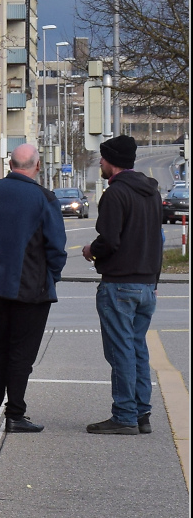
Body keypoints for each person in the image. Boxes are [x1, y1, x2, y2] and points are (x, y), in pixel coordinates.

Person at [0, 144, 67, 431]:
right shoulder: (44, 198)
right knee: (22, 354)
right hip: (31, 287)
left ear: (10, 163)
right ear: (37, 166)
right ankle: (15, 414)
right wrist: (51, 276)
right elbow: (57, 247)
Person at [82, 135, 164, 435]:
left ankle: (125, 415)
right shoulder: (151, 193)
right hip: (145, 284)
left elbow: (110, 240)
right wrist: (154, 280)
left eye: (102, 158)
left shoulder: (115, 195)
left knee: (121, 352)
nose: (100, 163)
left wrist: (92, 250)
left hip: (119, 285)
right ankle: (142, 413)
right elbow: (158, 239)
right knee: (137, 349)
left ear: (112, 161)